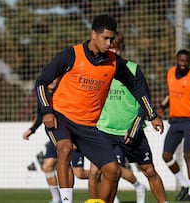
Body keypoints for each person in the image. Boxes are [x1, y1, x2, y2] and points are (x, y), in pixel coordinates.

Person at [35, 14, 163, 203]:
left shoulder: (114, 63)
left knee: (113, 170)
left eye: (112, 38)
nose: (109, 42)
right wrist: (46, 111)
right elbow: (41, 82)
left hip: (88, 125)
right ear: (93, 34)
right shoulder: (71, 55)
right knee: (64, 148)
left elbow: (136, 87)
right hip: (61, 116)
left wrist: (152, 115)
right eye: (105, 38)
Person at [90, 32, 168, 203]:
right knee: (110, 173)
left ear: (121, 50)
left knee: (149, 171)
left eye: (115, 48)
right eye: (109, 48)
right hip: (105, 131)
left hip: (131, 131)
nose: (112, 51)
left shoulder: (132, 69)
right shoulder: (97, 70)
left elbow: (145, 102)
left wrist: (135, 128)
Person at [157, 49, 190, 201]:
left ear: (189, 62)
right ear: (176, 60)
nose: (183, 64)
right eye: (181, 60)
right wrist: (161, 107)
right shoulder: (170, 73)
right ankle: (184, 184)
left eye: (186, 61)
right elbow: (170, 94)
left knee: (187, 155)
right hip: (175, 121)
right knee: (166, 156)